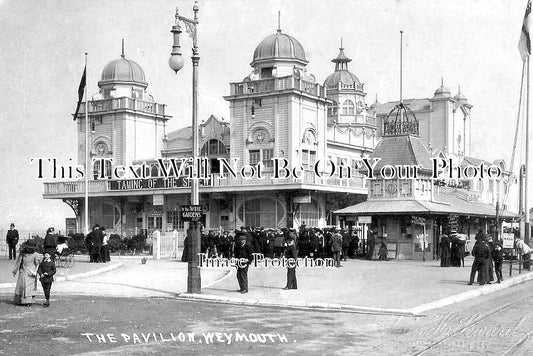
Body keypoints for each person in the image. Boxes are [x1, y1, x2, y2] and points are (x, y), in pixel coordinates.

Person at [12, 240, 42, 306]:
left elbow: (37, 264)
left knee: (29, 288)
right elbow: (19, 262)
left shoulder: (35, 254)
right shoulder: (22, 253)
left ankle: (28, 302)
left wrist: (36, 272)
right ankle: (20, 301)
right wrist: (15, 271)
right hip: (23, 271)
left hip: (31, 273)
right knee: (21, 286)